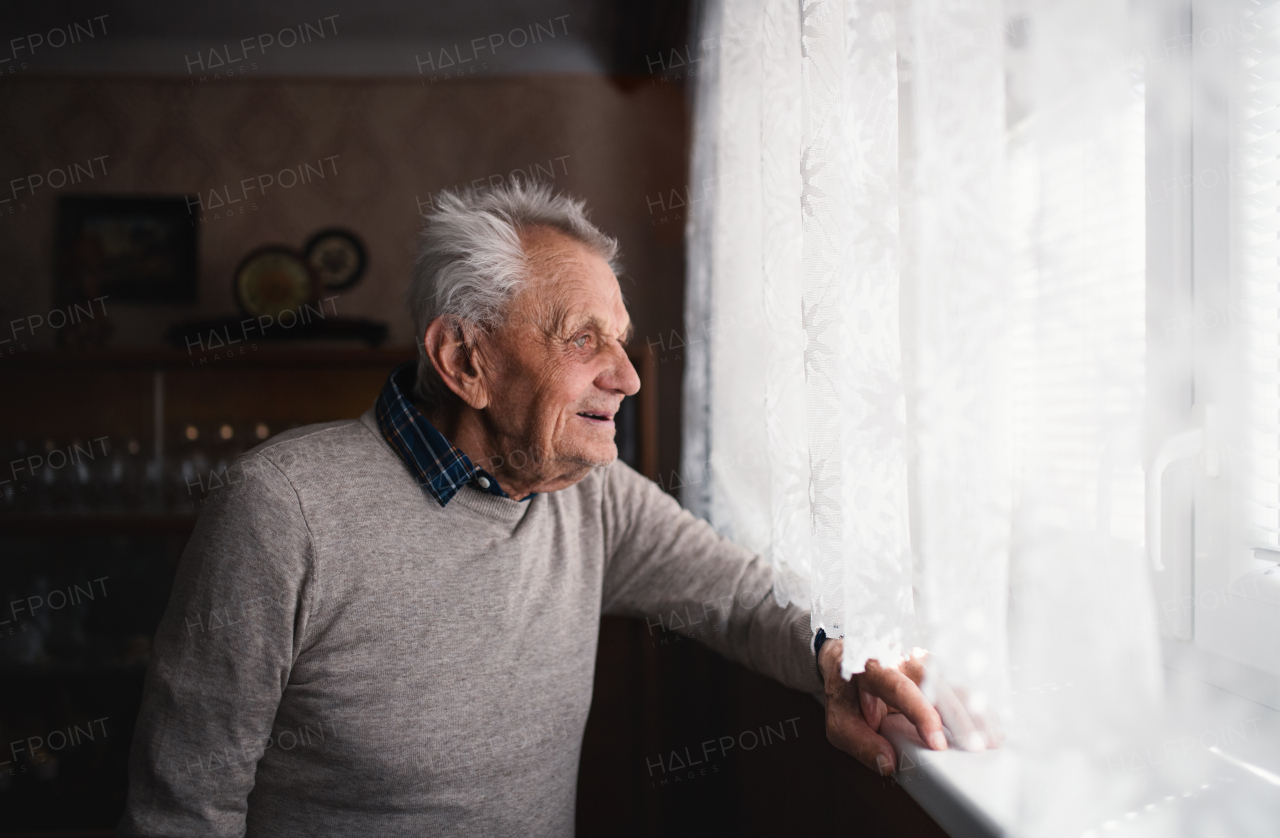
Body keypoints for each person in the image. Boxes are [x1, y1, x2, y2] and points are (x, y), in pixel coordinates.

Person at [120, 182, 962, 837]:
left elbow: (737, 595)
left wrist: (833, 660)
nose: (628, 378)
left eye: (623, 341)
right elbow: (183, 808)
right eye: (582, 339)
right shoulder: (282, 509)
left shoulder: (590, 498)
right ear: (464, 359)